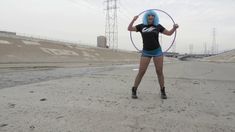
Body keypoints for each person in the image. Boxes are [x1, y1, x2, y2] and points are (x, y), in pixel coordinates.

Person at [127, 10, 179, 99]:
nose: (151, 17)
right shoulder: (141, 26)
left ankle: (162, 90)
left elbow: (169, 33)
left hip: (157, 51)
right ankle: (134, 89)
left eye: (152, 15)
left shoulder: (157, 26)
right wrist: (133, 20)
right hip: (146, 52)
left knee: (159, 71)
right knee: (141, 71)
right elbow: (129, 28)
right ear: (146, 17)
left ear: (154, 17)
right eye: (149, 15)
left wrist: (174, 28)